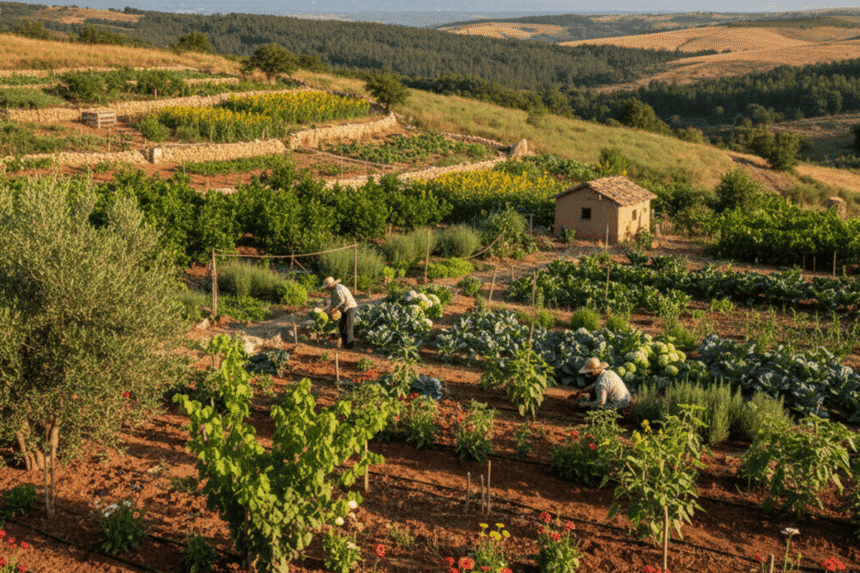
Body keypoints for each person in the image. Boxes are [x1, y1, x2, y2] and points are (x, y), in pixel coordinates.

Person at [321, 276, 357, 349]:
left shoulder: (338, 289)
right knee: (342, 326)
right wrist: (327, 309)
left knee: (348, 327)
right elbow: (333, 302)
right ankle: (345, 344)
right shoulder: (333, 290)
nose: (327, 288)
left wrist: (335, 308)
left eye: (327, 286)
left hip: (350, 307)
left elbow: (341, 300)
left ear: (330, 285)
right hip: (344, 309)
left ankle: (350, 346)